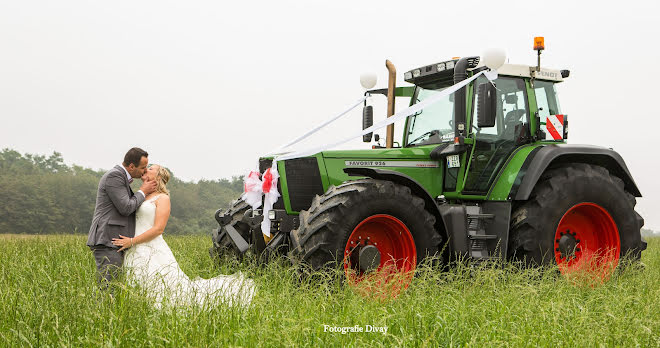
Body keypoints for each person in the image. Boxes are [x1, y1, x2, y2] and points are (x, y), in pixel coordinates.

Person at [112, 164, 255, 308]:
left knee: (163, 286)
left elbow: (158, 229)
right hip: (132, 245)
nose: (145, 169)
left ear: (158, 177)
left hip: (148, 245)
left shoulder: (163, 198)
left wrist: (132, 241)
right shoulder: (140, 195)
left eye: (150, 168)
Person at [87, 147, 157, 293]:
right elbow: (125, 207)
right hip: (108, 239)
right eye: (143, 167)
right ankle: (103, 314)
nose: (144, 171)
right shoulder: (115, 176)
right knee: (108, 288)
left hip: (114, 240)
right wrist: (143, 191)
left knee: (113, 286)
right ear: (131, 166)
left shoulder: (121, 178)